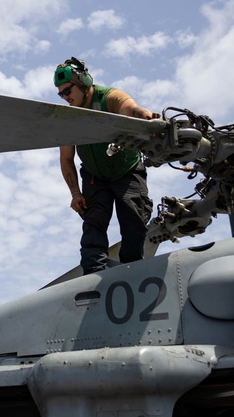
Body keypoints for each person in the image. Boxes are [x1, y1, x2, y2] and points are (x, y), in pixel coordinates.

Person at [55, 57, 159, 273]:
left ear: (84, 81)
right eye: (61, 94)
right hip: (94, 177)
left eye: (68, 91)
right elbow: (66, 159)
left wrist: (145, 117)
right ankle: (93, 277)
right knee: (93, 226)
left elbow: (129, 107)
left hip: (127, 171)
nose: (65, 98)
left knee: (134, 221)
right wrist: (75, 193)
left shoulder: (109, 97)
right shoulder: (68, 119)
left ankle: (132, 270)